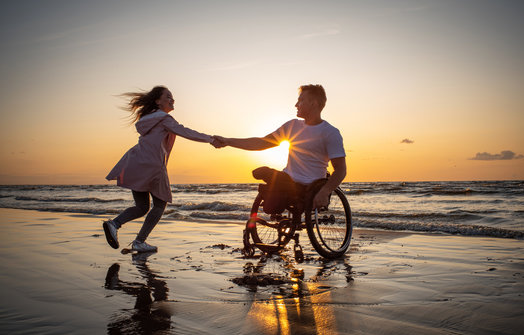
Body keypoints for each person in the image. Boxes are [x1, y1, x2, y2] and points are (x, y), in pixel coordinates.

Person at [104, 86, 218, 252]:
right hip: (152, 165)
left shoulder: (147, 120)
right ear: (158, 101)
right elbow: (184, 131)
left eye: (173, 97)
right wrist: (211, 139)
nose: (172, 100)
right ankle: (139, 241)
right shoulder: (164, 119)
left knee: (142, 207)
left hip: (135, 162)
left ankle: (114, 224)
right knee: (159, 205)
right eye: (168, 97)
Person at [213, 84, 346, 210]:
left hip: (311, 185)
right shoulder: (293, 126)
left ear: (314, 103)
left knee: (273, 181)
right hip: (287, 180)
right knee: (266, 179)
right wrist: (227, 141)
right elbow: (261, 143)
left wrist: (325, 191)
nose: (296, 105)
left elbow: (340, 170)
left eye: (301, 100)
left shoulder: (330, 133)